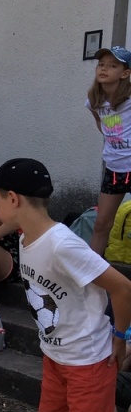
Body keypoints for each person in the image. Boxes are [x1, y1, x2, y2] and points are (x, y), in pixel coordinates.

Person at [0, 158, 131, 412]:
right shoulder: (27, 234)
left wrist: (120, 336)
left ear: (13, 199)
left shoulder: (64, 246)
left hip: (88, 364)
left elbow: (123, 287)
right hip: (56, 357)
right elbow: (14, 224)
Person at [87, 46, 131, 256]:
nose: (104, 69)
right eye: (101, 64)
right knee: (102, 223)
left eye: (112, 65)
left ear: (125, 73)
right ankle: (91, 276)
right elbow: (100, 122)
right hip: (114, 169)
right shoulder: (95, 99)